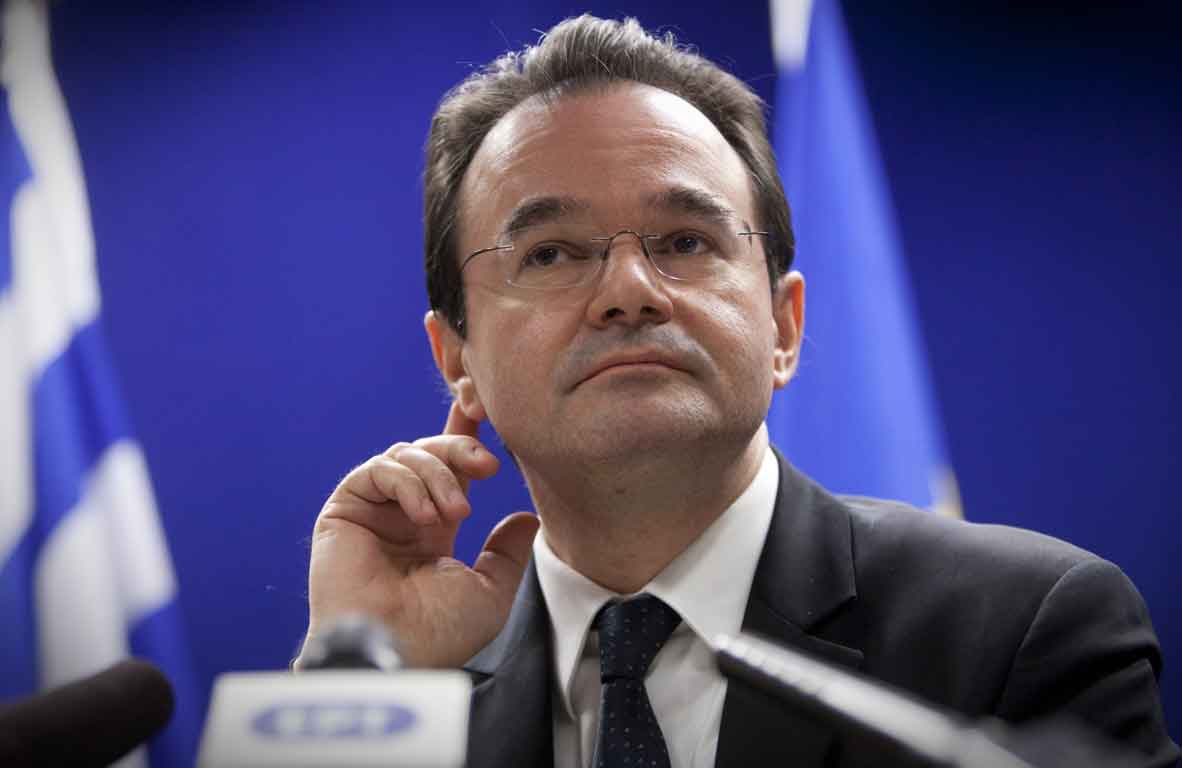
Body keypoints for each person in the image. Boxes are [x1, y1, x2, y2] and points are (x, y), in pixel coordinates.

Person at [297, 14, 1178, 768]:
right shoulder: (410, 694)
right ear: (456, 358)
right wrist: (351, 696)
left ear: (784, 327)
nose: (629, 290)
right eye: (552, 253)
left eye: (685, 241)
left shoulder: (1021, 635)